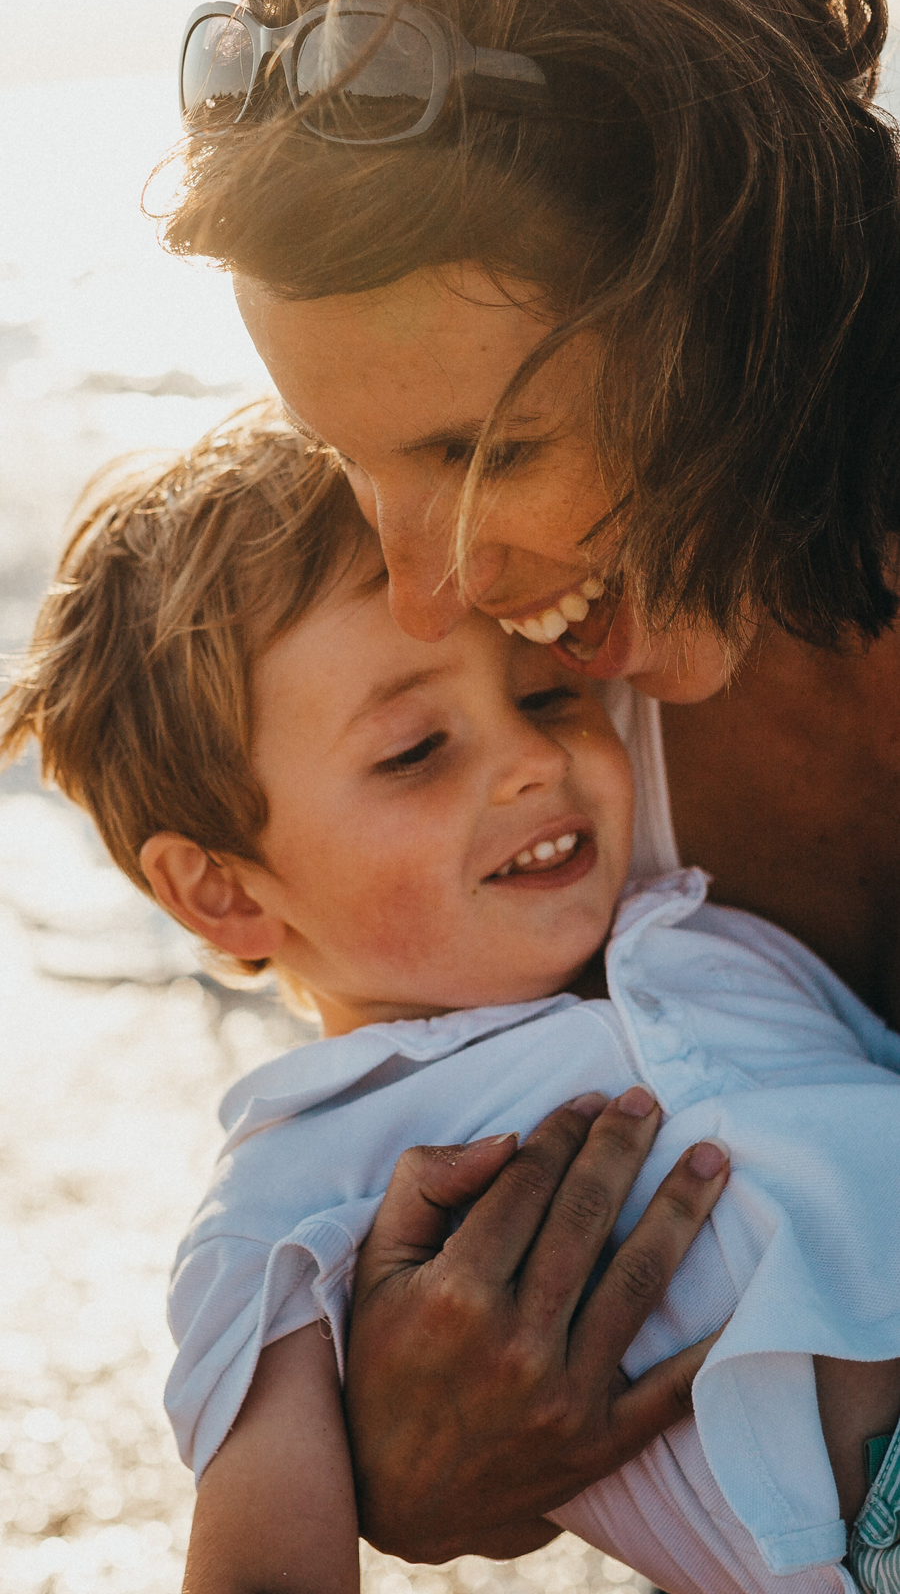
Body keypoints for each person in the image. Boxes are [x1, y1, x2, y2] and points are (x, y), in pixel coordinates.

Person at [160, 0, 900, 1572]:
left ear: (745, 306)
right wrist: (401, 1457)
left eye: (486, 448)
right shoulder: (552, 729)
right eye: (350, 460)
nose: (431, 585)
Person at [4, 413, 900, 1594]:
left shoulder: (712, 934)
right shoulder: (299, 1183)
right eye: (418, 749)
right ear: (219, 888)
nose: (530, 761)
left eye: (548, 695)